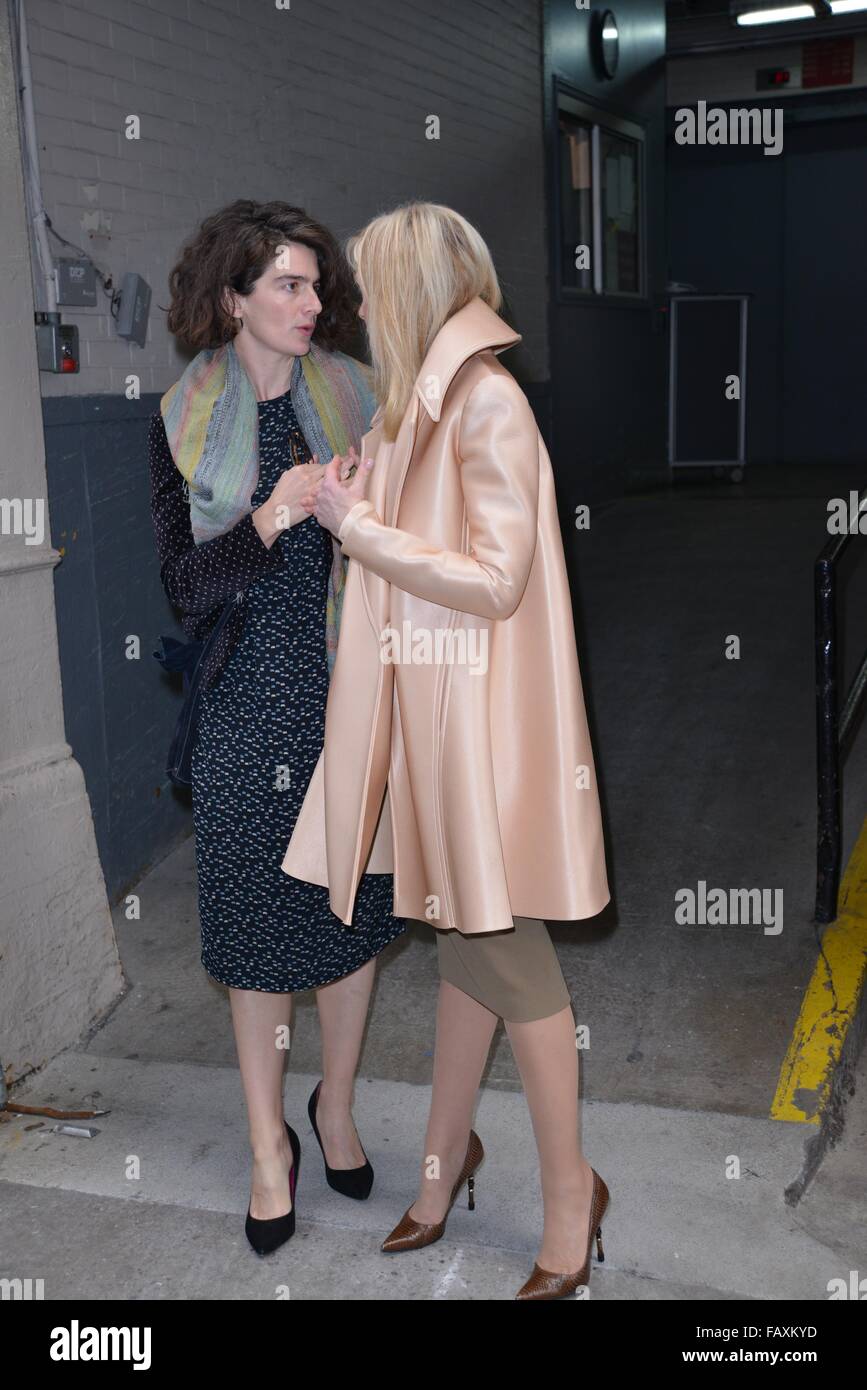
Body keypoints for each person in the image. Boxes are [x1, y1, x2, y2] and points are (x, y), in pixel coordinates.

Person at [283, 200, 611, 1299]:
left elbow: (495, 578)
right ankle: (442, 1163)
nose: (355, 305)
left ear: (415, 290)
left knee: (512, 960)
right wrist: (354, 492)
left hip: (484, 739)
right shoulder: (414, 408)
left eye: (370, 285)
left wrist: (357, 529)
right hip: (434, 727)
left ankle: (573, 1194)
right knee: (464, 940)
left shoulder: (488, 403)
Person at [148, 199, 406, 1259]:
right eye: (287, 286)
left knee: (350, 923)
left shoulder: (355, 397)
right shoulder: (178, 418)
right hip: (245, 705)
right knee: (256, 941)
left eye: (315, 284)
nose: (312, 303)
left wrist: (361, 511)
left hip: (348, 694)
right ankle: (267, 1147)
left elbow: (409, 547)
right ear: (232, 300)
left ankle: (332, 1107)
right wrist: (272, 514)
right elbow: (182, 590)